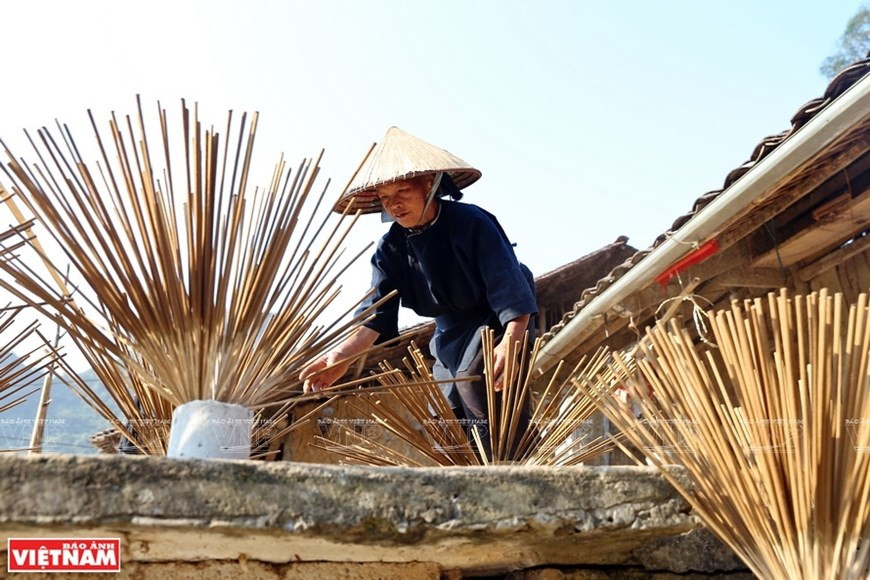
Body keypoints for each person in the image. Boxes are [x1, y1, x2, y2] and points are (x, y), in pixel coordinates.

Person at [299, 127, 538, 459]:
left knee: (476, 383)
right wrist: (341, 357)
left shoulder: (472, 222)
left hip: (498, 319)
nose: (394, 204)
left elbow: (507, 282)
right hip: (449, 333)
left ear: (430, 184)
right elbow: (375, 316)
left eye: (402, 190)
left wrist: (512, 338)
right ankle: (466, 483)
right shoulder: (390, 249)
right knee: (444, 412)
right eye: (385, 197)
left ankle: (519, 467)